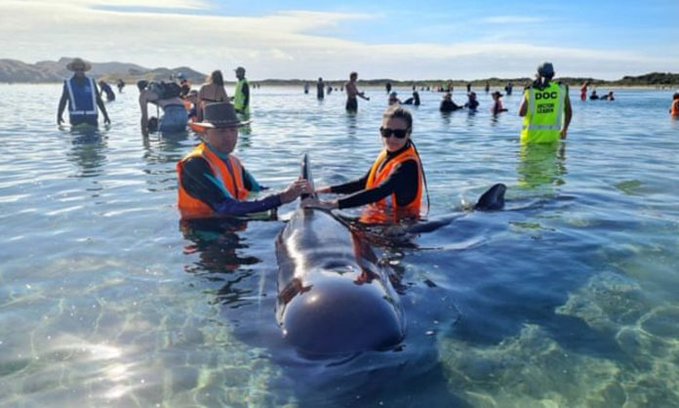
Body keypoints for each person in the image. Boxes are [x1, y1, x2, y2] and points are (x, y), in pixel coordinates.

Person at [177, 102, 309, 219]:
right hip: (202, 230)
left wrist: (298, 190)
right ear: (204, 134)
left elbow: (258, 190)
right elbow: (225, 207)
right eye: (221, 131)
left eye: (233, 130)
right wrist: (282, 198)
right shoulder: (195, 164)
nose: (229, 137)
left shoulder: (233, 161)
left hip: (232, 223)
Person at [305, 106, 425, 224]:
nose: (392, 138)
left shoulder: (408, 165)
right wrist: (326, 190)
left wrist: (331, 204)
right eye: (387, 132)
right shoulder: (387, 154)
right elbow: (362, 183)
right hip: (379, 216)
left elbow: (379, 192)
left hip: (400, 226)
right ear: (381, 131)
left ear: (409, 133)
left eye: (399, 134)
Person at [519, 62, 572, 144]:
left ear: (538, 74)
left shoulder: (530, 90)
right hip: (551, 139)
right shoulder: (562, 89)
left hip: (530, 140)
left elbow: (521, 113)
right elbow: (568, 111)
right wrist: (564, 129)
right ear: (553, 74)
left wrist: (526, 92)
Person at [57, 57, 111, 127]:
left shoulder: (91, 82)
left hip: (91, 117)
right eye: (77, 69)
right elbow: (63, 100)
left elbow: (98, 99)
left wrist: (105, 115)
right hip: (76, 118)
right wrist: (59, 115)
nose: (79, 71)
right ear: (74, 70)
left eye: (81, 69)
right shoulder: (68, 83)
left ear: (84, 70)